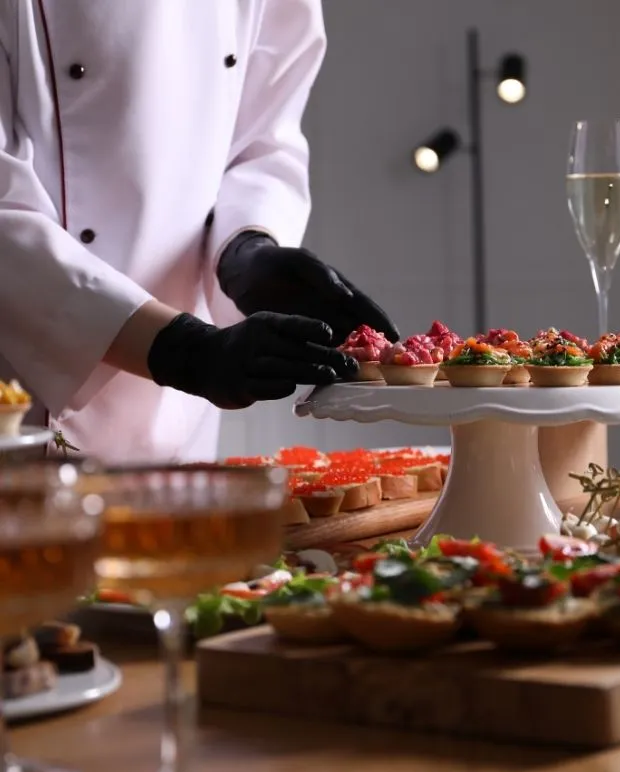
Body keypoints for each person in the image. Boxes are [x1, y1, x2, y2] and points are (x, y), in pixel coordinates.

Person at [0, 1, 397, 463]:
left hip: (178, 423)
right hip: (19, 405)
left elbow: (262, 142)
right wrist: (181, 349)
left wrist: (247, 249)